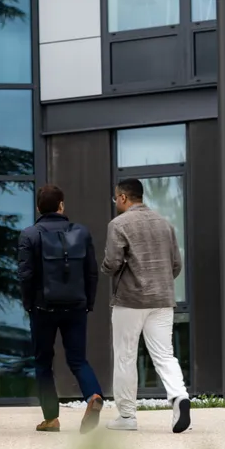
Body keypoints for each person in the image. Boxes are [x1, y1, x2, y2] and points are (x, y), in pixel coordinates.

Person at [102, 177, 190, 433]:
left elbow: (112, 262)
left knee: (125, 356)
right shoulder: (165, 224)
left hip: (130, 301)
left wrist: (106, 269)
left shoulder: (118, 224)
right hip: (161, 300)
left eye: (115, 198)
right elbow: (176, 264)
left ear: (122, 198)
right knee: (164, 354)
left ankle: (127, 417)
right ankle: (179, 397)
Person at [17, 184, 104, 433]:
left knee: (43, 363)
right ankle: (93, 396)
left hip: (43, 308)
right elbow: (91, 272)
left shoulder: (30, 235)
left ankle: (51, 419)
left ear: (38, 208)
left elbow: (25, 275)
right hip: (76, 306)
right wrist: (89, 302)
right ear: (61, 205)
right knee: (78, 360)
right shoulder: (82, 232)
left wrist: (28, 304)